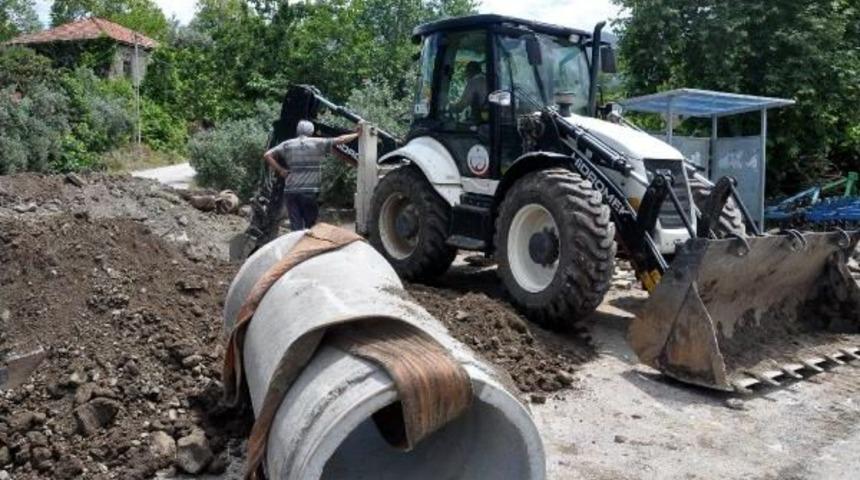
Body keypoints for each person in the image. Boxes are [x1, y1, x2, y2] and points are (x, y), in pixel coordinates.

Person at [263, 120, 360, 230]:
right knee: (311, 227)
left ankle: (297, 245)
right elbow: (340, 140)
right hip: (309, 192)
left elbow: (267, 155)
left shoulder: (287, 144)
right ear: (312, 131)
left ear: (297, 130)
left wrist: (281, 170)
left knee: (296, 228)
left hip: (291, 192)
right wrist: (357, 134)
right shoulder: (317, 143)